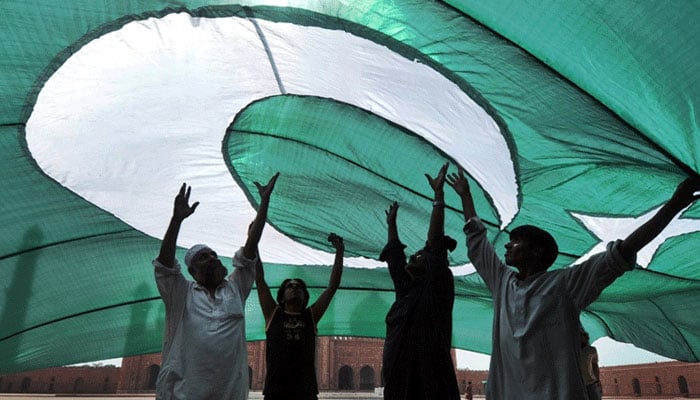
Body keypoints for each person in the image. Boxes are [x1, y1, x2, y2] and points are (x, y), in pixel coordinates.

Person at [447, 168, 700, 399]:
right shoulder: (504, 284)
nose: (507, 244)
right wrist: (465, 196)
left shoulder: (565, 284)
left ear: (536, 251)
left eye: (516, 241)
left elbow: (623, 251)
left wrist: (675, 204)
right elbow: (478, 242)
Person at [153, 173, 279, 400]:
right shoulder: (181, 294)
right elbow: (164, 265)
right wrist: (176, 220)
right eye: (203, 257)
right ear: (192, 270)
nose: (212, 258)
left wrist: (264, 204)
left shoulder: (235, 288)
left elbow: (251, 247)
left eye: (213, 254)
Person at [381, 163, 461, 400]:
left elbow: (435, 243)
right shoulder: (406, 293)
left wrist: (438, 196)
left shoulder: (437, 288)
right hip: (399, 386)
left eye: (418, 255)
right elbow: (395, 258)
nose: (412, 256)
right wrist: (391, 226)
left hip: (430, 385)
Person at [255, 232, 345, 400]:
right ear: (281, 297)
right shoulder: (272, 314)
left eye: (299, 287)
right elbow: (259, 280)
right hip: (275, 392)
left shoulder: (311, 316)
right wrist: (254, 241)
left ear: (305, 297)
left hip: (306, 392)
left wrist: (339, 252)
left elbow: (332, 287)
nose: (294, 288)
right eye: (290, 286)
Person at [580, 328, 602, 400]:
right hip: (578, 383)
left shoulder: (591, 350)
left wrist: (598, 380)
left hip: (591, 383)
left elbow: (595, 365)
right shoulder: (574, 350)